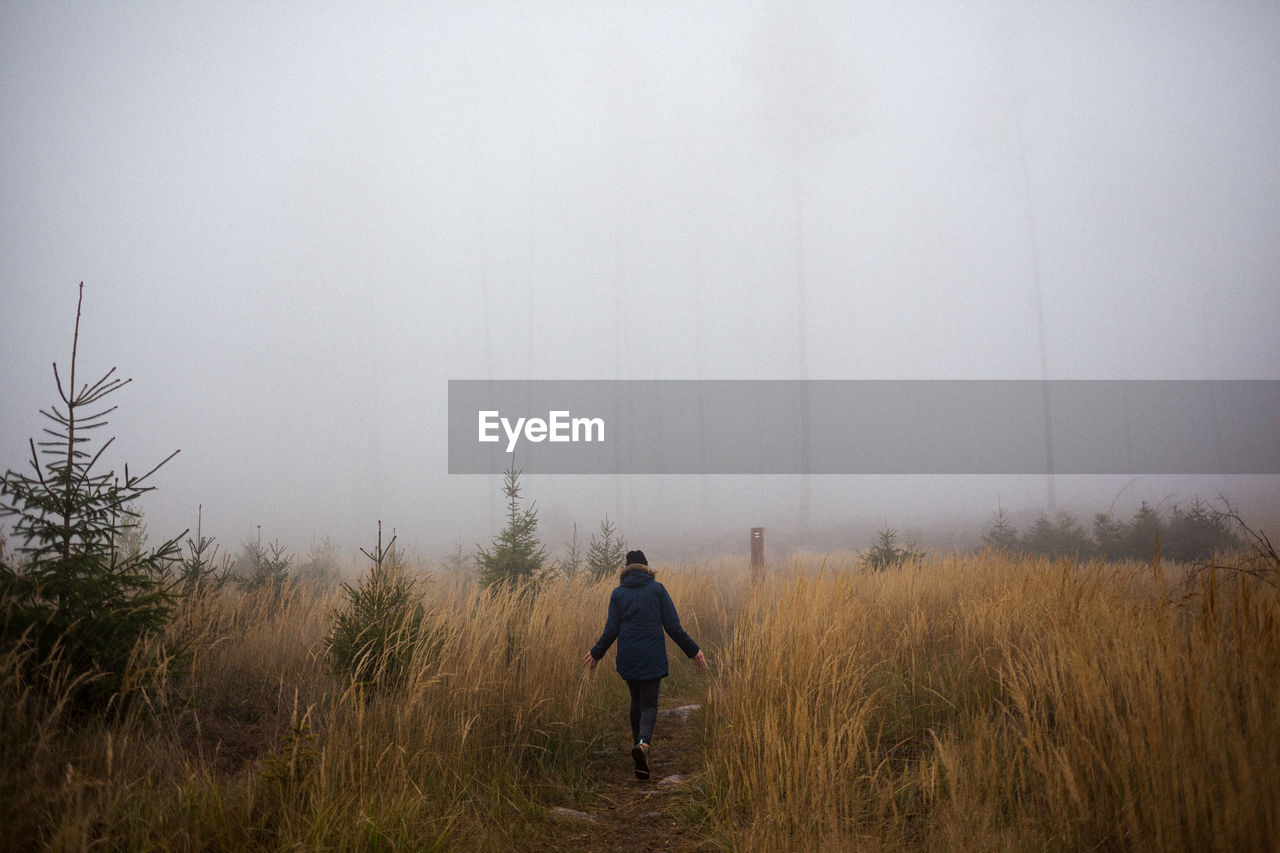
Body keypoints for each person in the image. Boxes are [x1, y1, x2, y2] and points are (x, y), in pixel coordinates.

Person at [582, 549, 707, 780]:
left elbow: (611, 630)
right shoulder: (657, 590)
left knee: (636, 702)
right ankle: (643, 745)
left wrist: (596, 653)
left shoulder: (618, 594)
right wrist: (693, 650)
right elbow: (673, 626)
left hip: (628, 656)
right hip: (652, 655)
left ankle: (639, 750)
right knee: (649, 704)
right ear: (646, 568)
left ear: (626, 570)